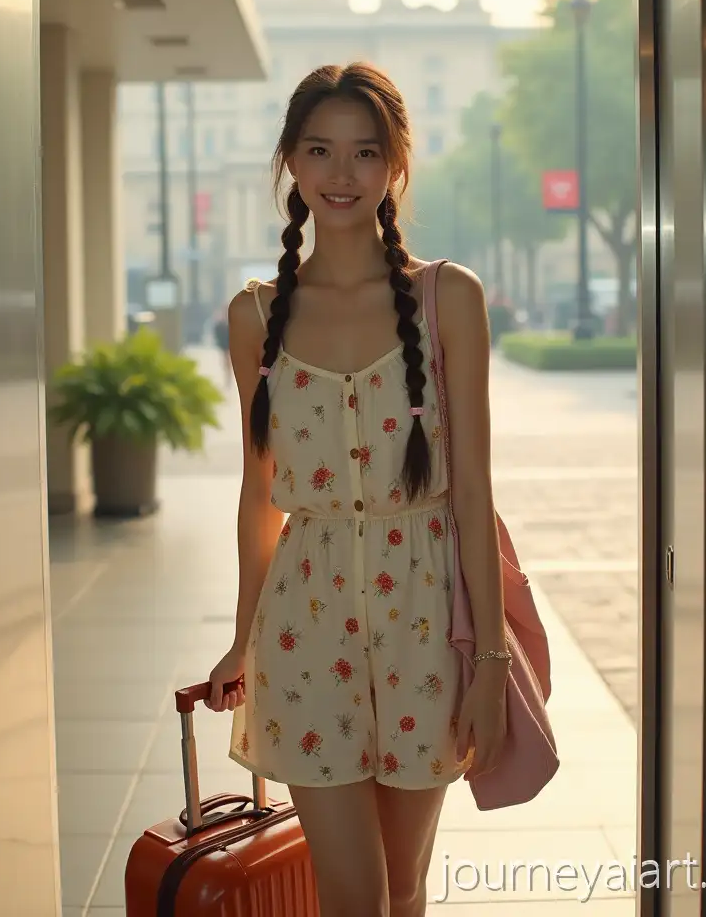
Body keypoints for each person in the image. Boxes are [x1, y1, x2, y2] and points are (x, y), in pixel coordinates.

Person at [206, 62, 509, 917]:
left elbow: (473, 492)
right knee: (352, 894)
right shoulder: (254, 316)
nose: (342, 173)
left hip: (425, 622)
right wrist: (242, 638)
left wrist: (490, 663)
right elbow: (259, 492)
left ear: (395, 164)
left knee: (404, 888)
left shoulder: (449, 298)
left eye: (365, 152)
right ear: (290, 162)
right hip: (305, 623)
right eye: (320, 150)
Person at [212, 308, 231, 387]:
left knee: (227, 360)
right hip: (225, 344)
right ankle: (228, 377)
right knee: (226, 360)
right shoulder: (222, 323)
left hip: (229, 344)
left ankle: (228, 377)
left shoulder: (231, 321)